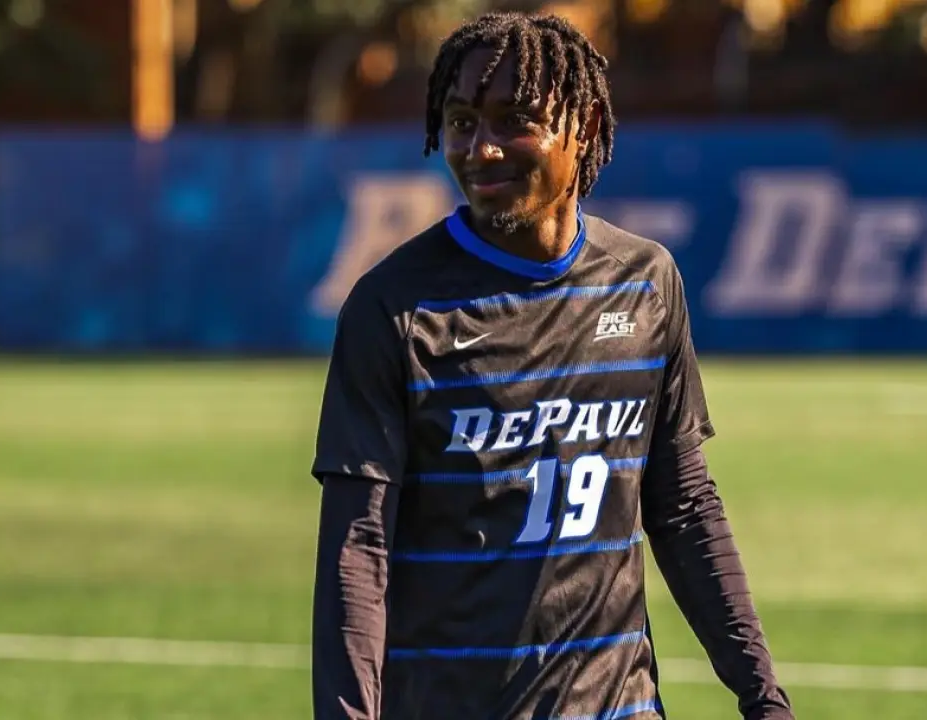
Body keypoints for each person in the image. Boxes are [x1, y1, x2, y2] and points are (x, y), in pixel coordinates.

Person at [311, 11, 793, 720]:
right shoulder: (395, 308)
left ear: (586, 125)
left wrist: (763, 697)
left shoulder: (646, 283)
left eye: (515, 121)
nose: (481, 148)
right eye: (462, 121)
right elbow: (359, 546)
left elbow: (684, 507)